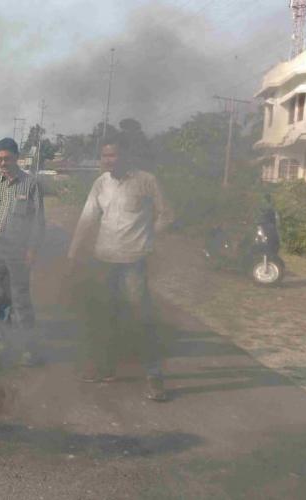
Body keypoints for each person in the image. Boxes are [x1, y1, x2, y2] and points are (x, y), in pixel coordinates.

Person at [67, 138, 174, 401]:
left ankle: (154, 377)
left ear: (125, 155)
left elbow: (167, 214)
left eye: (112, 155)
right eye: (104, 156)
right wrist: (72, 252)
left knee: (141, 319)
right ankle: (106, 368)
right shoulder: (101, 183)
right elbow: (87, 218)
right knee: (105, 317)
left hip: (134, 261)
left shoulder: (146, 180)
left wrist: (150, 236)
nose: (107, 160)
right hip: (104, 260)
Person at [0, 138, 45, 357]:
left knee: (21, 299)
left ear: (17, 157)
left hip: (19, 251)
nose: (2, 164)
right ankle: (8, 343)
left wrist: (33, 249)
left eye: (6, 159)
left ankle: (29, 349)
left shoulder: (30, 183)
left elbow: (38, 221)